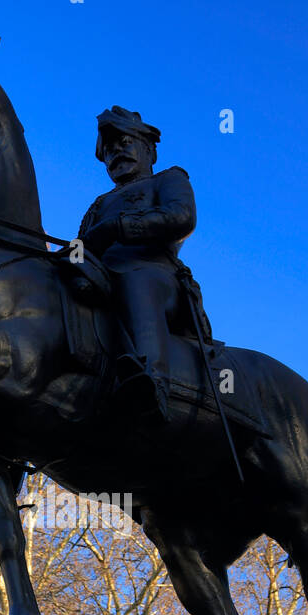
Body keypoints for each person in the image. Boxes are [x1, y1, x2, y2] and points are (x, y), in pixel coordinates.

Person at [78, 106, 197, 423]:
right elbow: (80, 247)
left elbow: (182, 217)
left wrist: (119, 227)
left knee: (135, 280)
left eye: (124, 142)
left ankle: (151, 384)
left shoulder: (170, 179)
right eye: (108, 152)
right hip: (100, 279)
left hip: (154, 275)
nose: (115, 153)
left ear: (149, 149)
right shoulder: (97, 206)